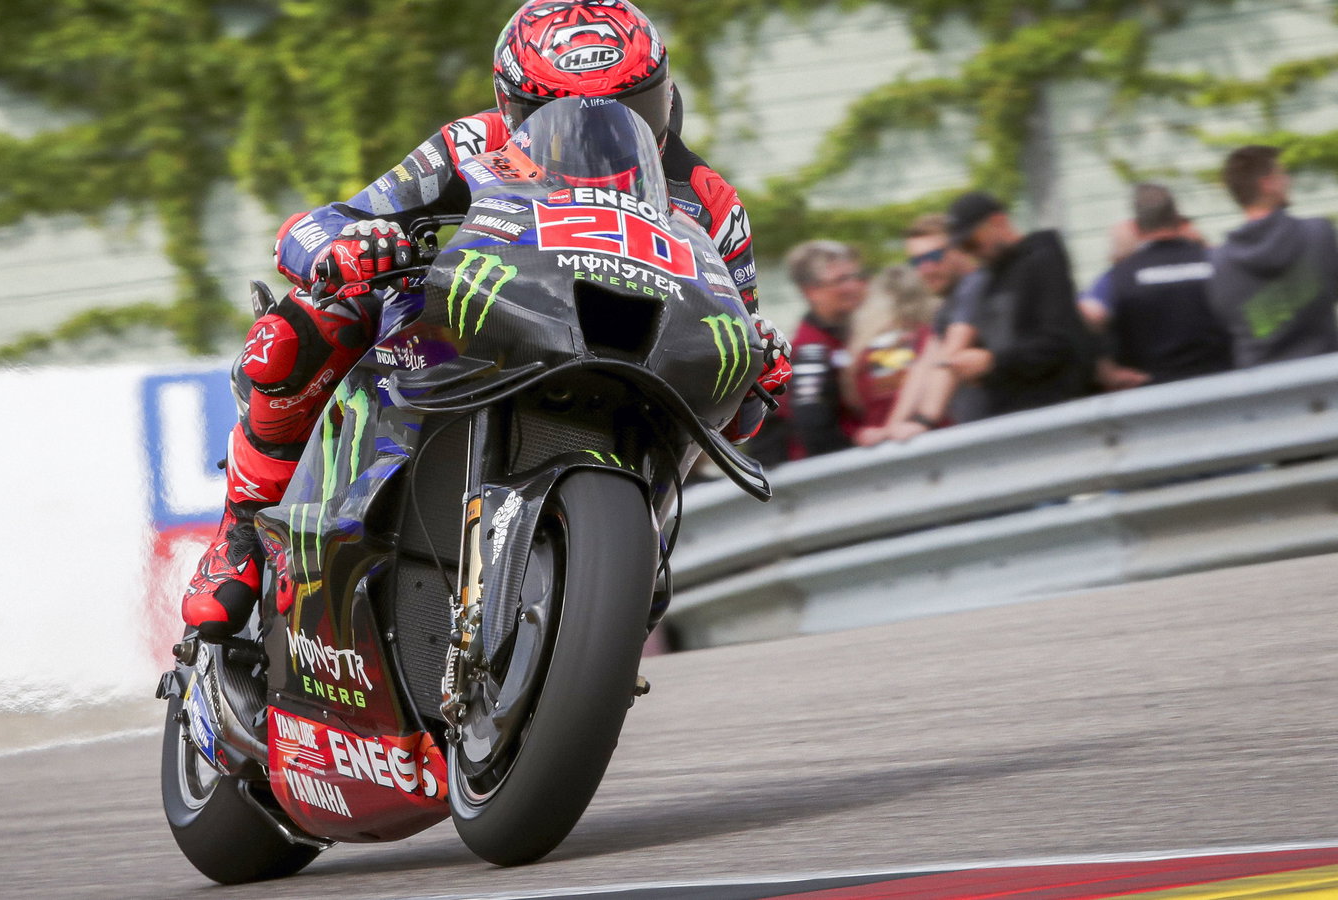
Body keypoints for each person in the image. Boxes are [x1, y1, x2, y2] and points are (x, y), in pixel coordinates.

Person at [180, 0, 792, 639]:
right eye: (564, 118)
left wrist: (758, 369)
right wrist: (349, 247)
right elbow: (316, 228)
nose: (601, 139)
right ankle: (241, 532)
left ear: (665, 96)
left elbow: (734, 388)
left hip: (628, 381)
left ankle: (618, 566)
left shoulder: (711, 203)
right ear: (513, 107)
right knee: (305, 325)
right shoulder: (470, 145)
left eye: (628, 109)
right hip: (456, 337)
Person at [927, 191, 1093, 423]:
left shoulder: (1041, 257)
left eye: (971, 242)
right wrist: (980, 371)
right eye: (963, 248)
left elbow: (1058, 341)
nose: (971, 253)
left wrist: (991, 362)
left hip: (1056, 411)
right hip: (1011, 415)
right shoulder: (986, 280)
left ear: (998, 222)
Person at [1208, 144, 1338, 368]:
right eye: (1283, 174)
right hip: (1325, 374)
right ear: (1268, 184)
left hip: (1262, 383)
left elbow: (1223, 326)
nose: (1289, 181)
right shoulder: (1318, 233)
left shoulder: (1217, 262)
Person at [1098, 183, 1231, 388]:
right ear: (1177, 220)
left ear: (1135, 227)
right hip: (1223, 384)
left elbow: (1091, 314)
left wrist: (1107, 371)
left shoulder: (1119, 275)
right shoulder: (1216, 261)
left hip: (1155, 392)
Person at [747, 240, 866, 463]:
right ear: (811, 291)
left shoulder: (848, 336)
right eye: (841, 280)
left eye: (856, 277)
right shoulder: (811, 350)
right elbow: (814, 428)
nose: (854, 286)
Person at [877, 213, 983, 441]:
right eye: (916, 261)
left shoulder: (975, 286)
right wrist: (891, 428)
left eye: (934, 256)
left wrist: (922, 421)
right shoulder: (948, 304)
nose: (926, 268)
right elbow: (924, 365)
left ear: (959, 250)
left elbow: (948, 358)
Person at [842, 265, 939, 443]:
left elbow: (854, 400)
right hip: (931, 436)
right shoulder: (931, 337)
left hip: (875, 442)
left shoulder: (861, 352)